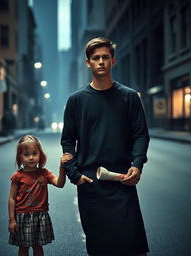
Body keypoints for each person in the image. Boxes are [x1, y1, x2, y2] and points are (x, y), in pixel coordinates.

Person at [61, 37, 150, 256]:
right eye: (95, 58)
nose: (101, 61)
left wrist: (137, 165)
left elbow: (140, 134)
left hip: (123, 181)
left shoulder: (129, 97)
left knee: (134, 248)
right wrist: (75, 175)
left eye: (105, 57)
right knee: (100, 249)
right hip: (90, 183)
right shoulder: (76, 100)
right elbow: (67, 141)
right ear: (88, 63)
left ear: (113, 61)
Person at [8, 135, 72, 256]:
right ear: (20, 157)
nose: (31, 157)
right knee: (23, 248)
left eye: (34, 153)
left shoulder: (44, 173)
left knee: (38, 247)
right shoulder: (17, 176)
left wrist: (62, 167)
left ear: (40, 155)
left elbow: (60, 184)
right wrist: (12, 220)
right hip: (22, 216)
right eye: (26, 154)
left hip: (40, 215)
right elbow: (11, 198)